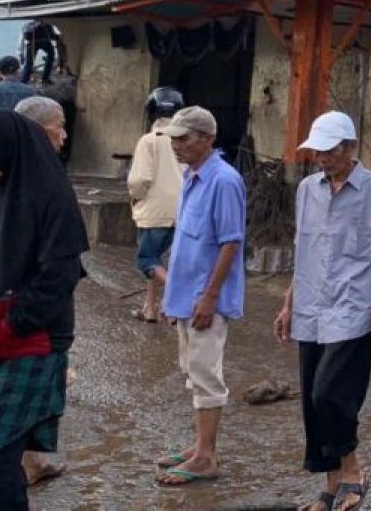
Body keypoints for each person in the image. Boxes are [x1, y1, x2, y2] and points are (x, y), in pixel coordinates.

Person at [274, 111, 371, 511]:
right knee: (311, 404)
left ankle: (353, 469)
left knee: (331, 392)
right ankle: (331, 486)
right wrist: (288, 302)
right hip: (311, 307)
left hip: (353, 306)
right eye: (316, 152)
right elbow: (305, 251)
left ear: (350, 148)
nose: (321, 159)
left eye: (329, 151)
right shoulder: (307, 191)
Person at [0, 110, 88, 509]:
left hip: (30, 343)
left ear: (4, 150)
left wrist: (14, 322)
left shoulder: (49, 196)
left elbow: (60, 275)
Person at [156, 106, 246, 487]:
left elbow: (230, 244)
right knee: (192, 373)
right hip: (186, 295)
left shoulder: (224, 180)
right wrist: (171, 299)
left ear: (207, 139)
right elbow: (186, 245)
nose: (176, 145)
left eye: (184, 138)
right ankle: (198, 447)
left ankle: (206, 457)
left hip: (205, 297)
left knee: (207, 375)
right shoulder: (193, 176)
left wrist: (209, 297)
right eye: (174, 138)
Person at [10, 96, 74, 486]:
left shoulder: (36, 175)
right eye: (59, 125)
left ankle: (33, 458)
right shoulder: (36, 183)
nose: (64, 136)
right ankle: (28, 463)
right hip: (31, 317)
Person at [127, 87, 186, 323]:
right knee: (165, 261)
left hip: (154, 209)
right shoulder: (184, 139)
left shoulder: (149, 140)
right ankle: (151, 307)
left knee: (148, 260)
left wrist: (135, 196)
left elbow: (140, 179)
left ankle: (180, 297)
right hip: (182, 208)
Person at [20, 20, 61, 86]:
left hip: (34, 42)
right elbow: (52, 35)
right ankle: (44, 79)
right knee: (50, 56)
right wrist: (59, 37)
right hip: (41, 41)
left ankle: (24, 81)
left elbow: (25, 36)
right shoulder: (44, 24)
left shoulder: (30, 24)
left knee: (29, 62)